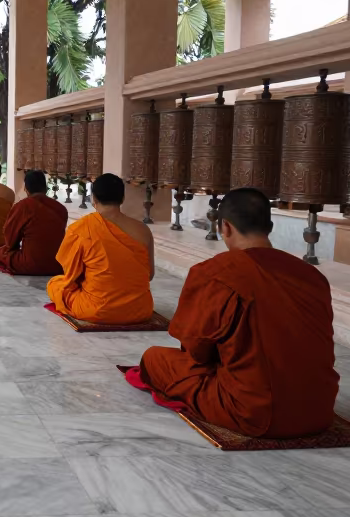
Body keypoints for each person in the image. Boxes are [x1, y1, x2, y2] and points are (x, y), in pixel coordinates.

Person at [139, 188, 339, 438]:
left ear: (225, 227)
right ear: (270, 227)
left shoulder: (216, 272)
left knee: (155, 359)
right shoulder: (312, 276)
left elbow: (196, 350)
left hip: (253, 412)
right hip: (318, 410)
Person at [47, 173, 154, 324]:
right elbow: (149, 275)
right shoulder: (143, 230)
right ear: (123, 198)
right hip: (140, 309)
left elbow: (71, 275)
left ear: (94, 199)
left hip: (98, 310)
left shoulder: (80, 229)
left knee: (55, 284)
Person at [0, 169, 68, 274]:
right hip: (58, 265)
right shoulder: (61, 208)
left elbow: (10, 240)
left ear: (26, 189)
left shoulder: (23, 206)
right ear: (45, 188)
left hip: (30, 265)